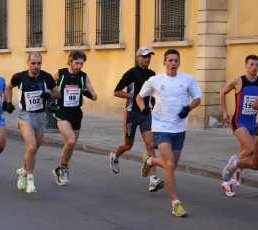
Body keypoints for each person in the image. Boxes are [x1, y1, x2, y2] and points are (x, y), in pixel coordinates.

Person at [136, 49, 202, 217]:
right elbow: (139, 97)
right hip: (161, 127)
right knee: (170, 164)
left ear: (179, 63)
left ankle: (149, 160)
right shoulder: (155, 80)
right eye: (170, 60)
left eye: (176, 60)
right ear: (164, 63)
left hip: (179, 128)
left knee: (171, 167)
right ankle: (175, 203)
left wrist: (188, 108)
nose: (173, 63)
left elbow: (197, 99)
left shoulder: (187, 79)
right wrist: (144, 109)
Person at [109, 47, 164, 192]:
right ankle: (115, 156)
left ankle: (153, 180)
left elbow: (154, 93)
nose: (147, 59)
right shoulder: (131, 73)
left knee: (150, 145)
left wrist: (155, 104)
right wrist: (134, 97)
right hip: (132, 114)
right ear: (137, 57)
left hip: (146, 114)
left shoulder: (152, 75)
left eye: (149, 57)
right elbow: (116, 92)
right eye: (144, 56)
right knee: (128, 146)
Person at [5, 52, 60, 193]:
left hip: (41, 116)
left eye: (39, 63)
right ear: (28, 62)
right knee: (32, 147)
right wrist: (9, 102)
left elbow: (57, 93)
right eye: (33, 63)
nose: (36, 66)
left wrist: (48, 95)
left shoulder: (46, 77)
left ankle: (23, 171)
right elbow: (8, 87)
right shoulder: (19, 77)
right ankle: (30, 179)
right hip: (25, 116)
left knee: (32, 151)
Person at [50, 50, 97, 186]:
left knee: (71, 144)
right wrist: (50, 101)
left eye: (81, 64)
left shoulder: (84, 77)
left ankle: (60, 167)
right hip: (62, 111)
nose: (79, 66)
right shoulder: (60, 73)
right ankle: (64, 168)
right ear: (70, 61)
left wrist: (87, 93)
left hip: (76, 112)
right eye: (77, 63)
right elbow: (47, 89)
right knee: (70, 141)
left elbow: (95, 96)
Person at [220, 54, 258, 196]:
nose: (254, 67)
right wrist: (225, 112)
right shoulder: (238, 81)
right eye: (252, 64)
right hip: (238, 121)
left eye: (257, 65)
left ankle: (228, 179)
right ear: (246, 66)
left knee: (247, 152)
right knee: (252, 149)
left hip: (252, 122)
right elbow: (222, 93)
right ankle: (234, 167)